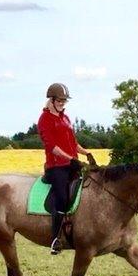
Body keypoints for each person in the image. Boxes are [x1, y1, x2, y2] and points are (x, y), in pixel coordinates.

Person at [37, 82, 91, 254]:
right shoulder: (44, 120)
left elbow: (73, 143)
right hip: (56, 167)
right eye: (59, 100)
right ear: (51, 100)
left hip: (72, 164)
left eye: (64, 101)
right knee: (62, 198)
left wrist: (87, 153)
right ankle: (55, 239)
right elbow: (52, 147)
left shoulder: (65, 118)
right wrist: (70, 159)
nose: (62, 103)